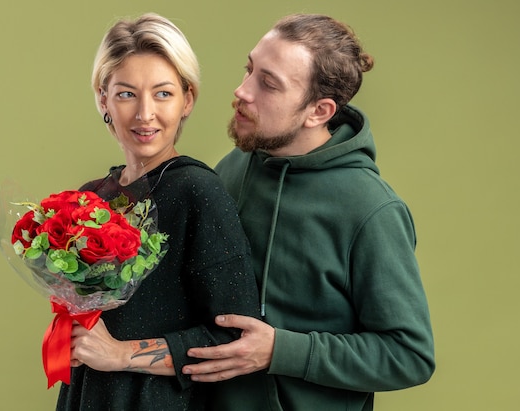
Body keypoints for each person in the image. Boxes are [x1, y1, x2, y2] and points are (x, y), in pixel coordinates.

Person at [181, 13, 435, 410]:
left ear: (318, 111)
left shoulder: (371, 210)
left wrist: (280, 350)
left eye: (268, 84)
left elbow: (409, 355)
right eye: (250, 70)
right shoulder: (231, 168)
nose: (242, 91)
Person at [55, 13, 260, 411]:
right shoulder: (90, 199)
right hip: (88, 396)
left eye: (163, 93)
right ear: (103, 99)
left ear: (188, 100)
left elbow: (235, 340)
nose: (145, 114)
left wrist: (120, 353)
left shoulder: (198, 192)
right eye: (127, 94)